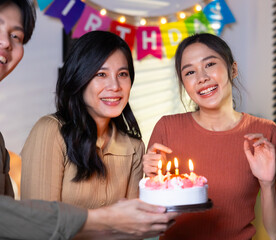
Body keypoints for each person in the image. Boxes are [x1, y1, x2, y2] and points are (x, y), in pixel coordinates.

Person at [0, 0, 177, 239]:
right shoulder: (51, 132)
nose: (114, 86)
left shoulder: (134, 147)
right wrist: (110, 222)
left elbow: (133, 230)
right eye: (100, 74)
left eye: (122, 74)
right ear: (79, 79)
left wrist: (155, 188)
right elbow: (38, 228)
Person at [142, 33, 276, 240]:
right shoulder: (166, 128)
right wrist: (152, 182)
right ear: (184, 84)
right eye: (190, 72)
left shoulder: (264, 133)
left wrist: (267, 183)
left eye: (209, 64)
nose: (201, 78)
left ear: (233, 69)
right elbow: (149, 224)